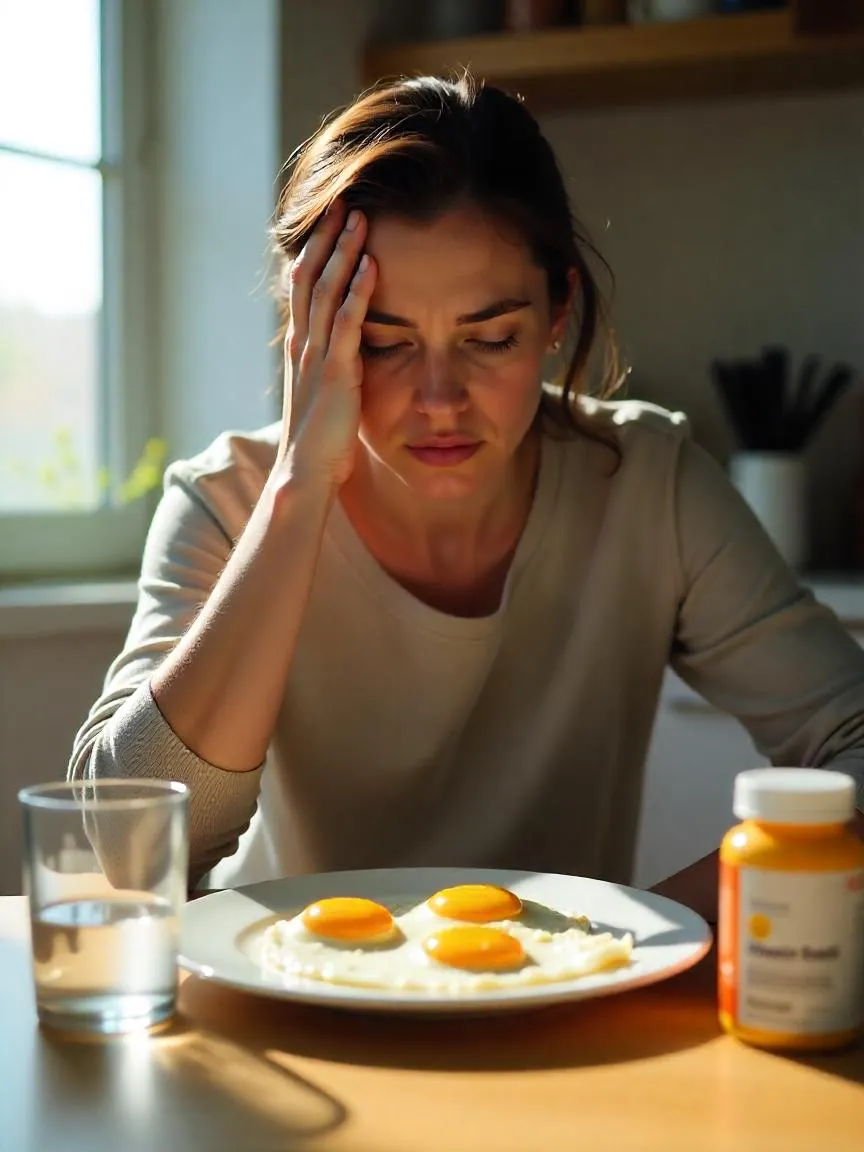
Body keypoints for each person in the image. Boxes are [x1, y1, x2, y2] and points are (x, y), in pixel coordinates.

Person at [69, 75, 864, 911]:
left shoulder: (649, 485)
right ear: (310, 334)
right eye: (382, 344)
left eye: (490, 339)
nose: (440, 399)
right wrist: (300, 491)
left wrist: (664, 933)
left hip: (563, 1020)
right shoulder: (226, 501)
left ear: (558, 312)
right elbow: (126, 846)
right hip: (285, 1014)